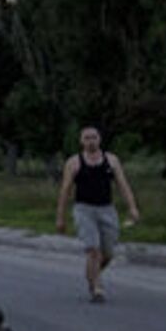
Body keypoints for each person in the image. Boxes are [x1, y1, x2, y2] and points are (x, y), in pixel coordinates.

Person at [55, 126, 141, 302]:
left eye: (93, 137)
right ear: (81, 141)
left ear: (99, 139)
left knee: (107, 254)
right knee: (93, 249)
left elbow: (123, 185)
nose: (91, 141)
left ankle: (92, 275)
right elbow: (65, 191)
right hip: (84, 209)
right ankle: (97, 288)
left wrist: (132, 207)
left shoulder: (112, 160)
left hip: (107, 209)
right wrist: (60, 217)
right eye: (86, 138)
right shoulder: (74, 162)